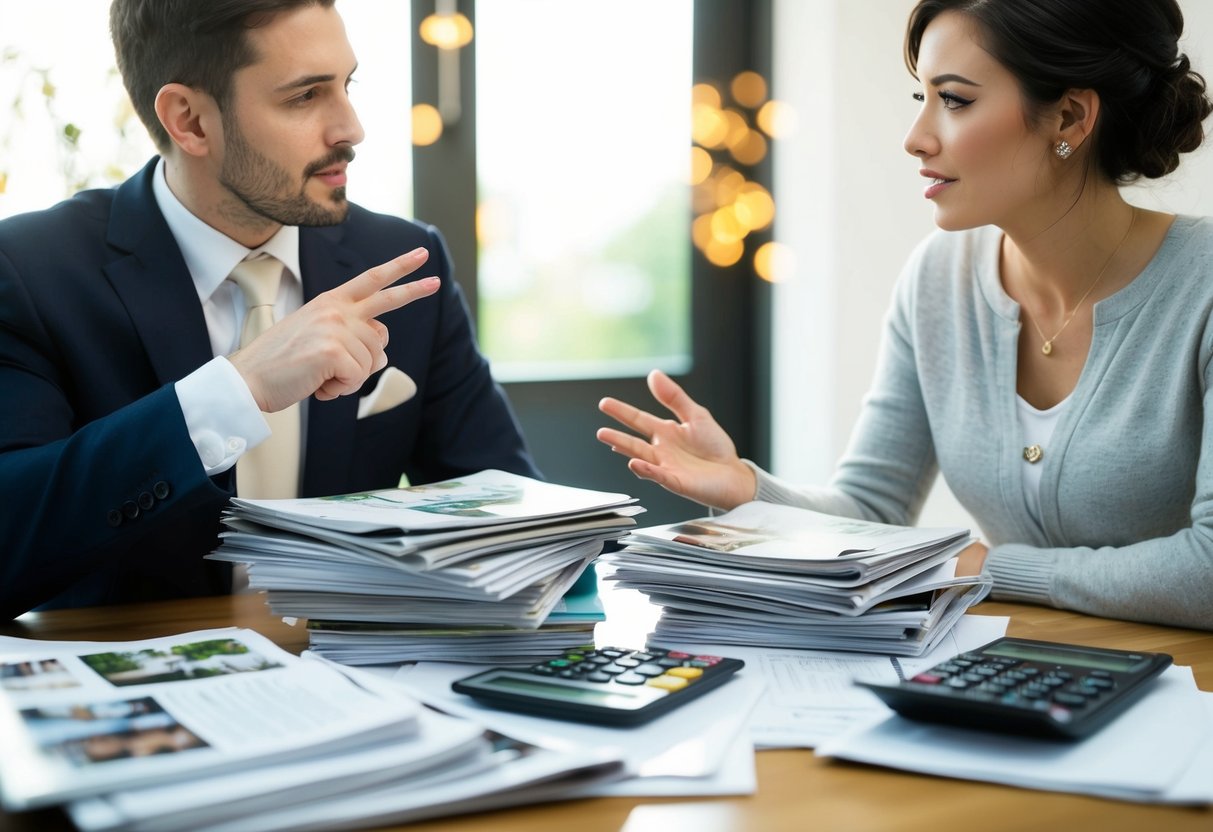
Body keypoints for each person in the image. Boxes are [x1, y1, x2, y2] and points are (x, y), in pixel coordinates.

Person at [598, 0, 1213, 631]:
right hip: (1017, 675)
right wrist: (751, 491)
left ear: (1070, 115)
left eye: (954, 100)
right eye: (921, 96)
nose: (915, 137)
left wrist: (993, 567)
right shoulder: (939, 279)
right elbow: (871, 508)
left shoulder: (1204, 286)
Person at [0, 0, 538, 619]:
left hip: (359, 685)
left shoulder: (405, 263)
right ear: (190, 121)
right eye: (305, 96)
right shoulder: (30, 271)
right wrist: (235, 390)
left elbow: (510, 515)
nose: (351, 128)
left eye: (347, 84)